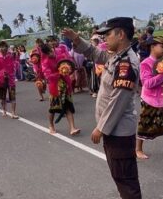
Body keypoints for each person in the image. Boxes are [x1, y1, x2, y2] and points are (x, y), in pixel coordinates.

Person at [63, 17, 142, 199]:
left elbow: (118, 100)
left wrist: (101, 128)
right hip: (114, 131)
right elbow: (94, 53)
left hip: (118, 131)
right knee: (120, 175)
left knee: (126, 179)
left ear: (120, 34)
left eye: (108, 34)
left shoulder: (126, 63)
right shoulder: (117, 56)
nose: (105, 39)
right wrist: (76, 39)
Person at [41, 43, 80, 136]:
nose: (52, 52)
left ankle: (72, 128)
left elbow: (69, 63)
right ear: (46, 54)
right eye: (49, 52)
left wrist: (68, 69)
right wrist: (60, 73)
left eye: (51, 50)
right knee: (53, 109)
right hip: (55, 87)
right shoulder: (45, 62)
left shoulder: (60, 54)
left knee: (68, 107)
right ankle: (51, 125)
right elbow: (48, 76)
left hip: (66, 85)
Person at [0, 41, 19, 119]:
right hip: (1, 80)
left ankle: (13, 113)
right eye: (1, 47)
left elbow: (14, 66)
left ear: (7, 48)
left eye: (4, 47)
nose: (3, 48)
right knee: (2, 97)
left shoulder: (10, 56)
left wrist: (12, 74)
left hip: (10, 79)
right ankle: (4, 110)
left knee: (13, 96)